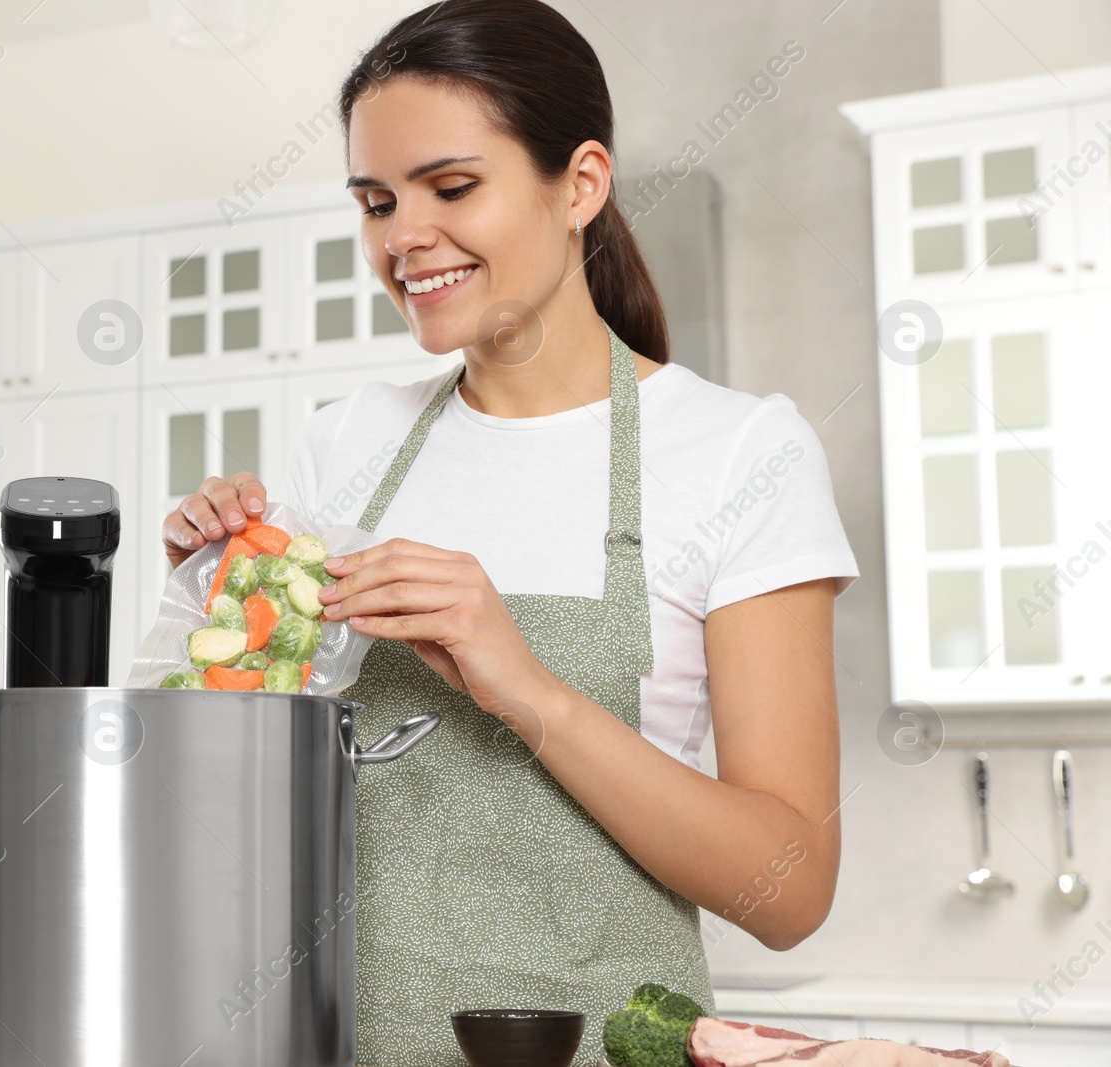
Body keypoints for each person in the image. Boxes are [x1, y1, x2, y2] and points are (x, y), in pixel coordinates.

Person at [162, 2, 859, 1064]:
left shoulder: (738, 450)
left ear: (579, 183)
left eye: (451, 188)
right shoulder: (339, 446)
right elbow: (236, 822)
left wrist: (521, 685)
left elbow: (791, 886)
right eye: (375, 201)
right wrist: (221, 607)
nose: (402, 238)